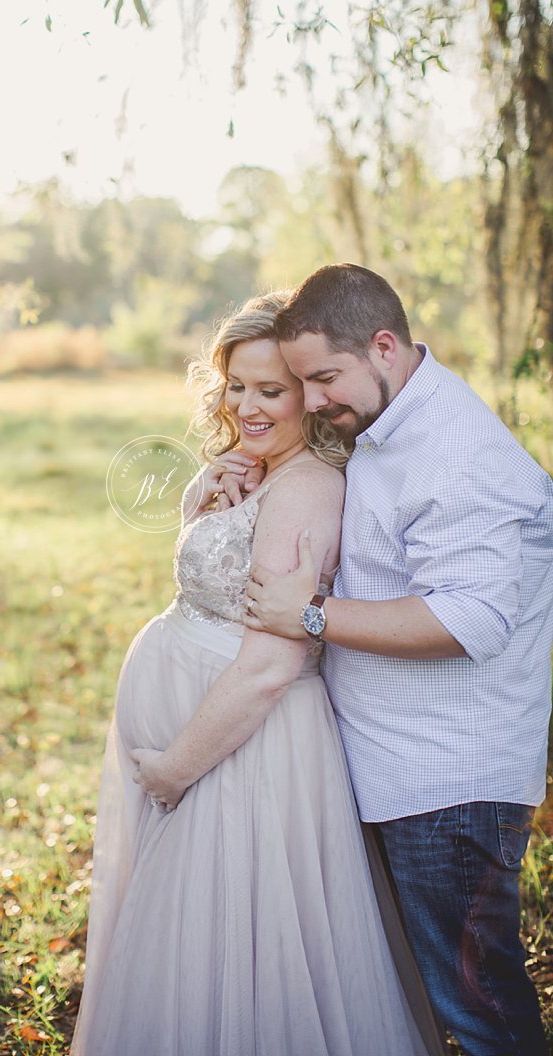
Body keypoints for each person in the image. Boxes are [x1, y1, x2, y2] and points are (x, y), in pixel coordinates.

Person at [71, 293, 445, 1056]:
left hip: (243, 752)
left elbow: (273, 664)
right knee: (191, 934)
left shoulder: (307, 486)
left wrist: (176, 767)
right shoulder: (255, 468)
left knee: (238, 946)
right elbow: (217, 584)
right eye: (236, 386)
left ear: (310, 395)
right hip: (212, 739)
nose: (245, 405)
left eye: (269, 390)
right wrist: (198, 504)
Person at [238, 264, 553, 1056]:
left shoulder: (457, 451)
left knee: (481, 1009)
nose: (313, 400)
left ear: (384, 346)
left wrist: (310, 613)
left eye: (323, 378)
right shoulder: (385, 423)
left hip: (450, 784)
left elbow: (469, 616)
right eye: (302, 383)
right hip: (400, 771)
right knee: (449, 999)